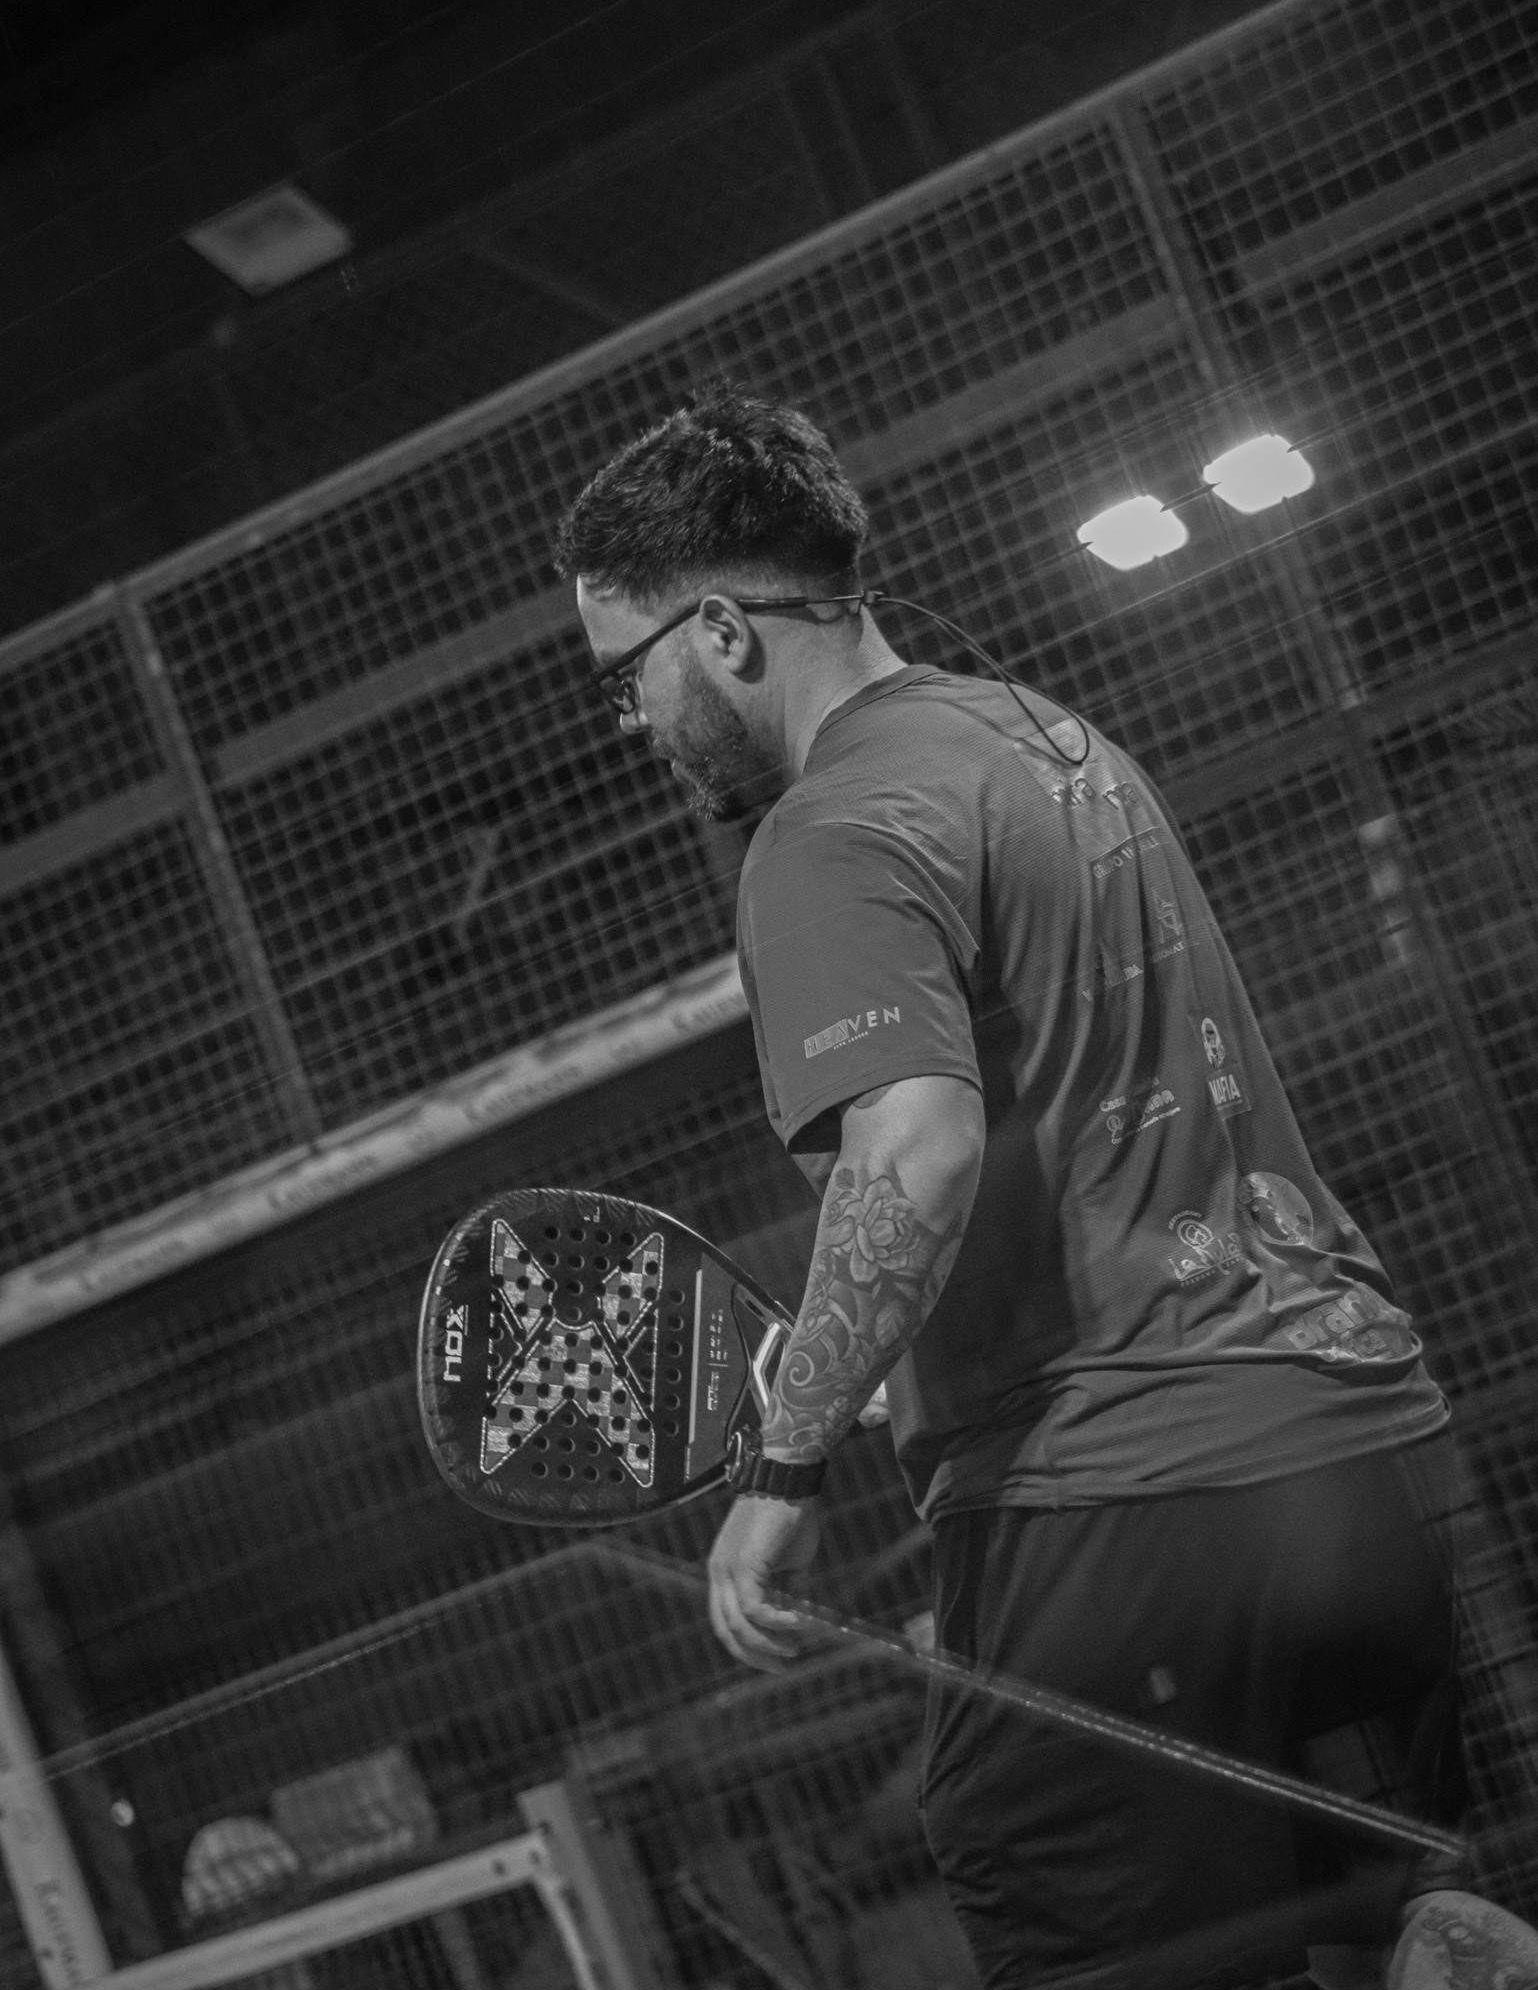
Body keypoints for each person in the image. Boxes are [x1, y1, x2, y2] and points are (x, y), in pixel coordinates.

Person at [555, 384, 1538, 1990]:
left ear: (721, 632)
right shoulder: (1046, 738)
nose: (629, 719)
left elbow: (916, 1152)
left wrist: (784, 1468)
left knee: (1062, 1921)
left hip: (1134, 1502)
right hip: (1360, 1467)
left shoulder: (825, 830)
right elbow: (1077, 1137)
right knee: (1367, 1939)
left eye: (626, 671)